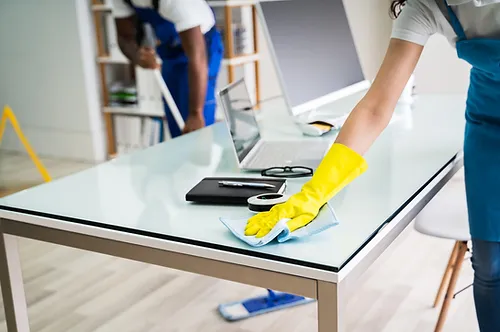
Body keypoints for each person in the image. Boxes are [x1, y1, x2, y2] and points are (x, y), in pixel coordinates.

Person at [245, 0, 500, 330]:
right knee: (490, 264)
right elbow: (375, 108)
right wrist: (314, 192)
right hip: (488, 124)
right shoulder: (426, 7)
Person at [112, 0, 223, 138]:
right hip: (171, 52)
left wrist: (196, 113)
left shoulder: (177, 3)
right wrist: (137, 56)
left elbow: (198, 58)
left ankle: (206, 156)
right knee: (176, 121)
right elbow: (124, 36)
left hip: (202, 46)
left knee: (199, 126)